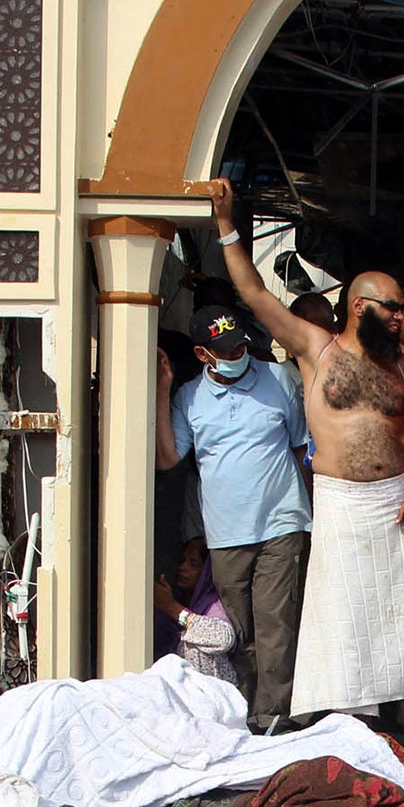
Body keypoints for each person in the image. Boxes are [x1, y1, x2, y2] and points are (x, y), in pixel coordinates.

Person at [208, 179, 404, 729]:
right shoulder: (317, 347)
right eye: (394, 309)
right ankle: (345, 716)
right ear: (360, 306)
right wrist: (226, 226)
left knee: (403, 613)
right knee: (344, 610)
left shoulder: (403, 365)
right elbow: (256, 294)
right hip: (340, 501)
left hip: (397, 501)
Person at [156, 305, 311, 732]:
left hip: (282, 522)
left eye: (241, 344)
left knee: (276, 624)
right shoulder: (189, 397)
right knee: (239, 630)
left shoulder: (279, 378)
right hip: (225, 534)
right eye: (226, 350)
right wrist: (162, 388)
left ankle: (275, 717)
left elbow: (301, 447)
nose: (238, 353)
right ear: (203, 354)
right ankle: (246, 711)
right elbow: (169, 457)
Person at [152, 535, 237, 685]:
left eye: (193, 564)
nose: (183, 568)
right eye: (182, 561)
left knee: (196, 647)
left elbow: (223, 638)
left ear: (205, 573)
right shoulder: (181, 600)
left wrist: (172, 607)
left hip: (210, 693)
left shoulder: (212, 603)